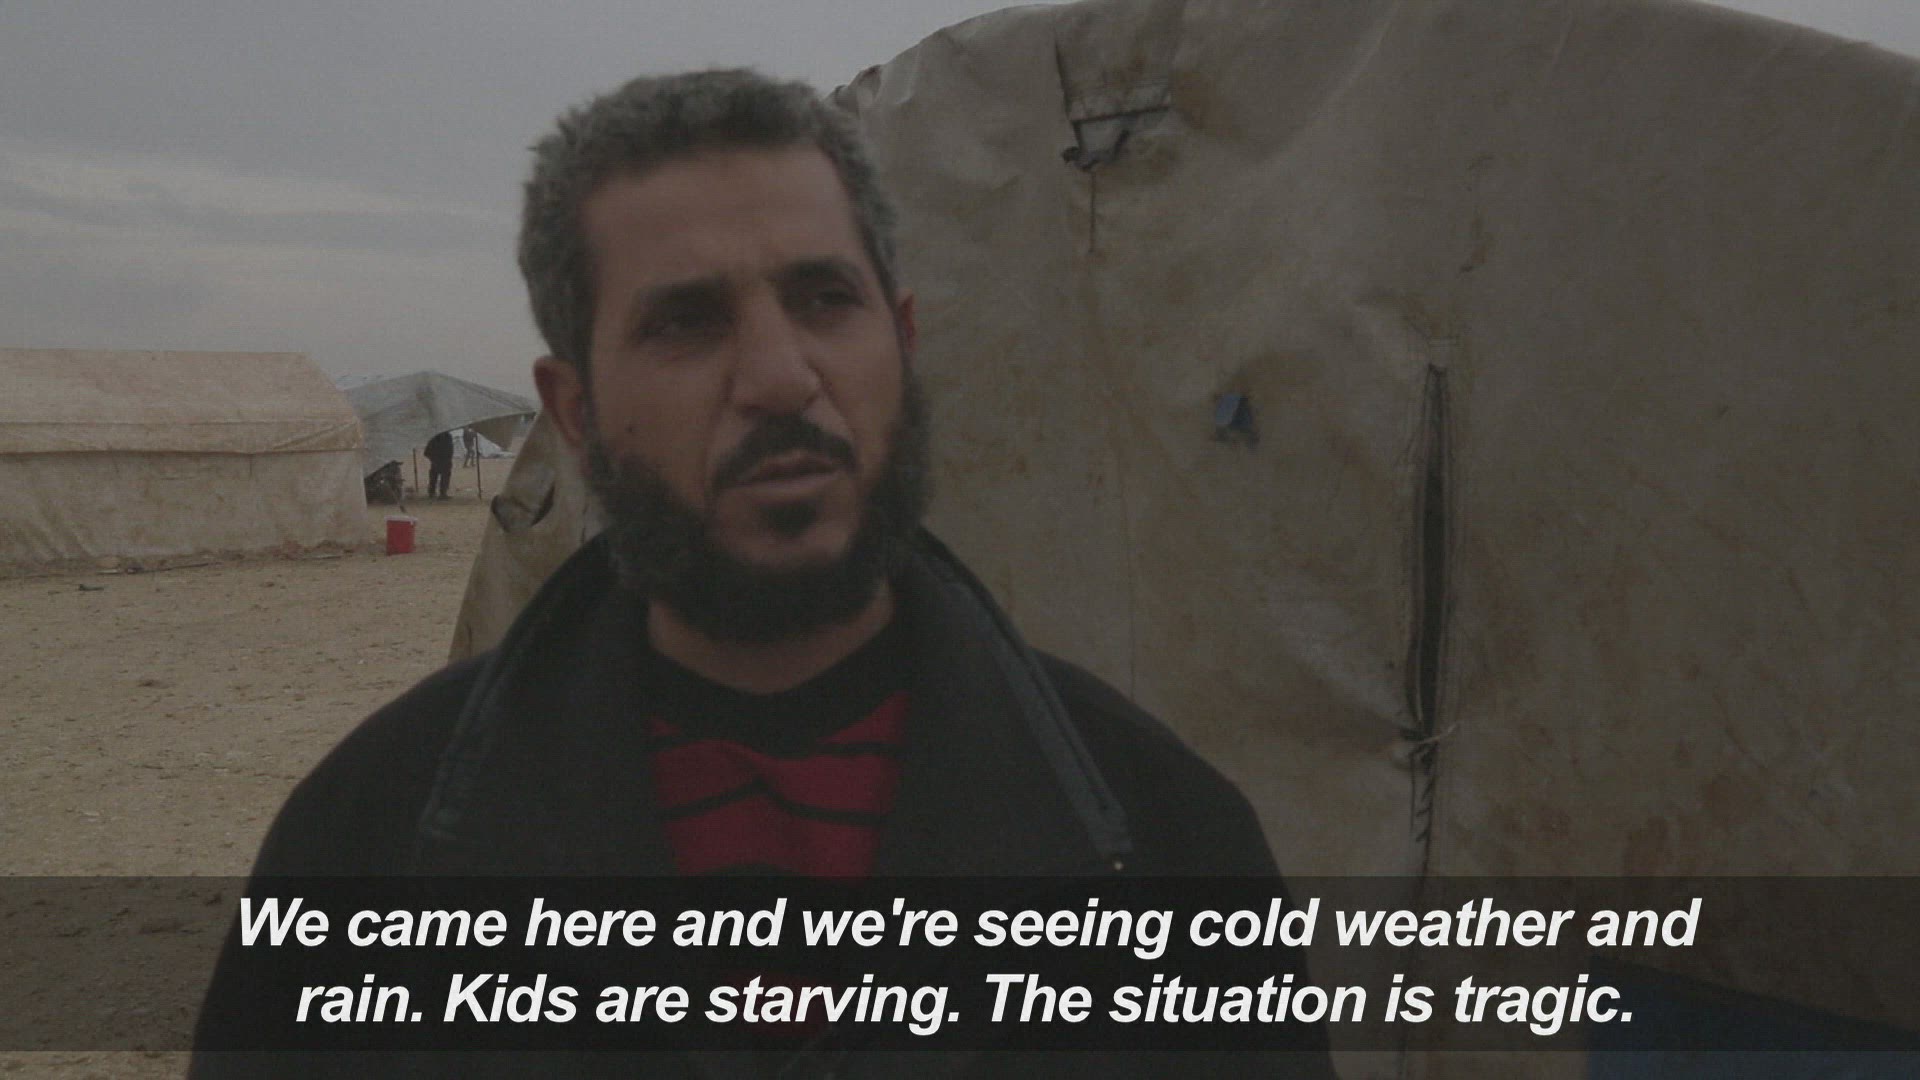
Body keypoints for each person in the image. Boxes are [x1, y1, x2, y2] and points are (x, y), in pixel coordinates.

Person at [192, 70, 1331, 1077]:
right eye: (687, 323)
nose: (783, 377)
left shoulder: (1158, 840)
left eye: (825, 301)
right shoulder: (373, 847)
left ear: (903, 345)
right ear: (575, 412)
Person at [424, 429, 455, 498]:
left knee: (435, 477)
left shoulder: (434, 438)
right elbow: (427, 452)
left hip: (438, 461)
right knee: (443, 477)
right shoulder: (447, 437)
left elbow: (426, 452)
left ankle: (433, 492)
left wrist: (433, 459)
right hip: (443, 461)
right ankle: (442, 493)